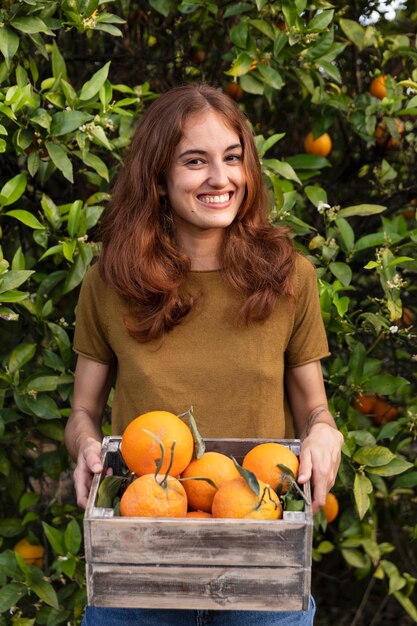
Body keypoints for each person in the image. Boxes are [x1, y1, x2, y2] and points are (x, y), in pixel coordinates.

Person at [64, 83, 343, 626]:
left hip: (260, 574)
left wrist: (325, 434)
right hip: (140, 571)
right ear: (159, 180)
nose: (221, 179)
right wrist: (87, 448)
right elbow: (82, 413)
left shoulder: (290, 279)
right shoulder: (109, 283)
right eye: (196, 161)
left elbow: (315, 411)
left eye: (232, 158)